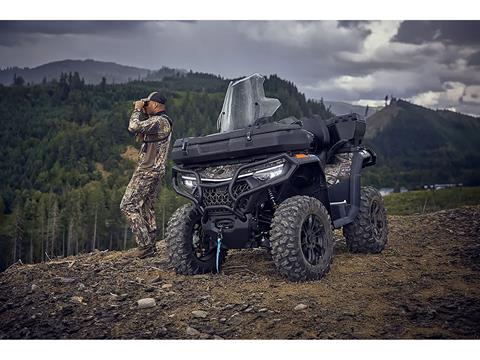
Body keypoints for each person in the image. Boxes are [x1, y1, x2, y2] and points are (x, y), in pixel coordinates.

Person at [120, 91, 173, 258]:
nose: (145, 106)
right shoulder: (158, 122)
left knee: (128, 205)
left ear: (156, 105)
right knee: (146, 207)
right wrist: (144, 110)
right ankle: (151, 246)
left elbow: (133, 126)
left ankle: (145, 246)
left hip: (148, 170)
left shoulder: (159, 121)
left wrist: (137, 110)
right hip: (155, 170)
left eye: (148, 103)